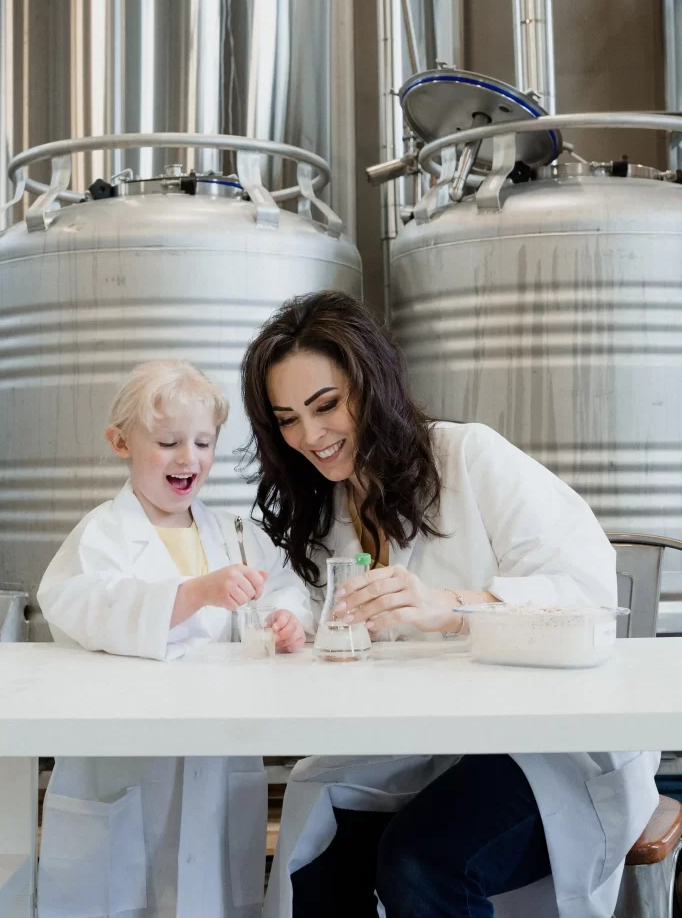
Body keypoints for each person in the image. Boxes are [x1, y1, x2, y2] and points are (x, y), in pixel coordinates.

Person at [240, 291, 660, 918]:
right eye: (288, 419)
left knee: (421, 864)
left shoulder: (470, 458)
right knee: (317, 859)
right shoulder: (327, 508)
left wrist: (451, 607)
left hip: (544, 748)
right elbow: (309, 602)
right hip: (425, 742)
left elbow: (586, 589)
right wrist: (293, 623)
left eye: (326, 406)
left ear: (371, 384)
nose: (311, 436)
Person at [37, 359, 313, 918]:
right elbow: (77, 604)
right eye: (167, 442)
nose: (188, 458)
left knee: (209, 894)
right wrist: (190, 594)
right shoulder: (103, 534)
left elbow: (284, 585)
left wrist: (288, 620)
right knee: (126, 895)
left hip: (217, 755)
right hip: (128, 767)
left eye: (203, 443)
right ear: (121, 443)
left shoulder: (234, 533)